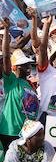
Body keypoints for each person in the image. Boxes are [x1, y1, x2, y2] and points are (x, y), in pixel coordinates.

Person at [0, 21, 38, 151]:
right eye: (23, 65)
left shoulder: (30, 85)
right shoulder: (11, 81)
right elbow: (6, 56)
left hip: (26, 134)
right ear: (15, 67)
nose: (28, 67)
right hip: (9, 132)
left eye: (28, 64)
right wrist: (6, 29)